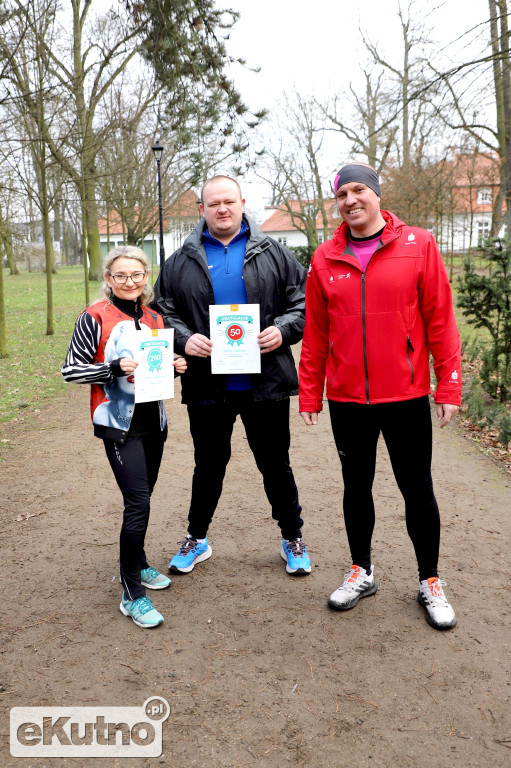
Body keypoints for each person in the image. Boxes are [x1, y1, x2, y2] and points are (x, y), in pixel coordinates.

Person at [299, 163, 462, 630]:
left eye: (358, 191)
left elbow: (441, 319)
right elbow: (316, 333)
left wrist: (448, 384)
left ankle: (429, 580)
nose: (350, 200)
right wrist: (310, 393)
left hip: (406, 395)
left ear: (375, 195)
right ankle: (361, 570)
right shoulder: (324, 259)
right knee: (356, 488)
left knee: (417, 489)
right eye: (342, 193)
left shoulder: (418, 246)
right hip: (348, 400)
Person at [153, 175, 311, 576]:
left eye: (229, 201)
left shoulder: (274, 252)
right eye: (213, 203)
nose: (222, 209)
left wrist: (284, 330)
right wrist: (184, 339)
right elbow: (161, 311)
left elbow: (303, 303)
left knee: (275, 463)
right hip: (208, 383)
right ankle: (197, 538)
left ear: (242, 203)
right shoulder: (179, 260)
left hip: (266, 381)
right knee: (208, 464)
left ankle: (292, 536)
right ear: (201, 209)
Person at [62, 245, 187, 629]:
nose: (129, 282)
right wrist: (112, 367)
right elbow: (71, 371)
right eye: (121, 275)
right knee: (138, 504)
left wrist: (175, 367)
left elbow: (155, 371)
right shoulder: (94, 316)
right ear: (108, 279)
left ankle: (139, 562)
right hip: (119, 425)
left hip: (155, 423)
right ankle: (132, 593)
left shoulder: (154, 317)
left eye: (137, 275)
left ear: (146, 277)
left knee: (143, 499)